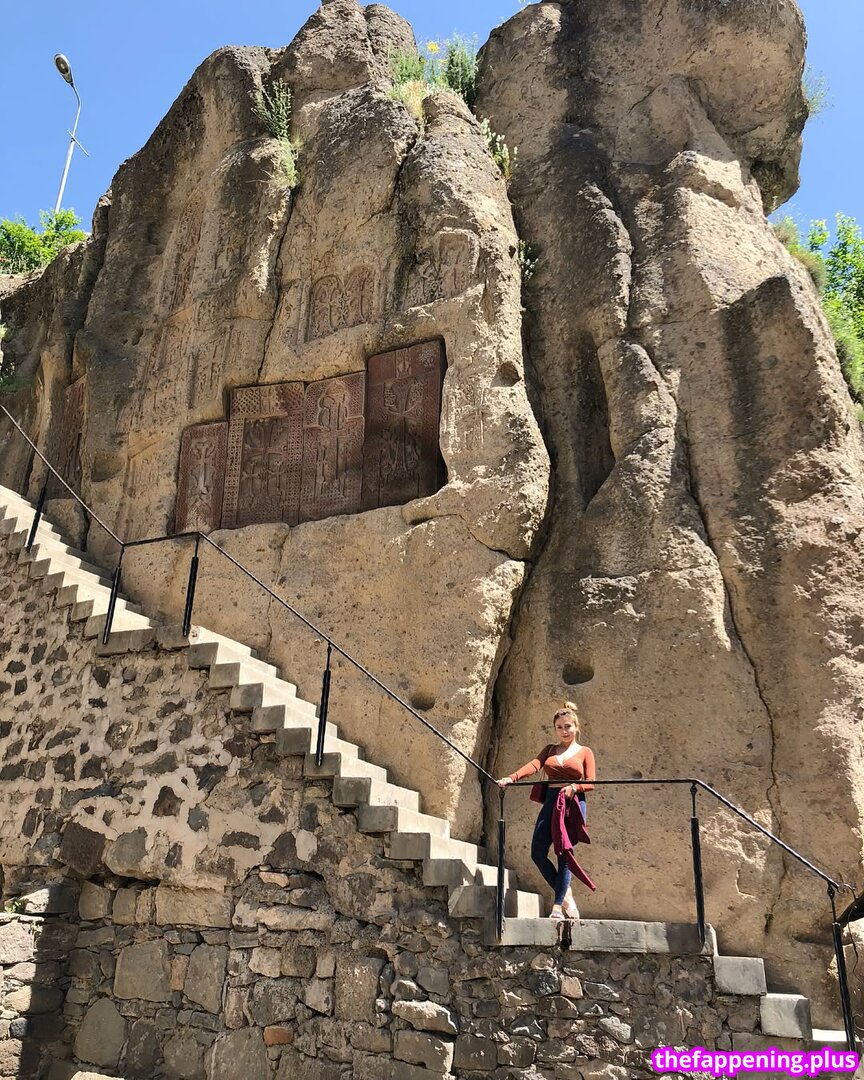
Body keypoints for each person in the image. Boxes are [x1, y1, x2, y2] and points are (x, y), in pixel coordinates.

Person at [497, 703, 596, 920]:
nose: (564, 731)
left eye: (568, 726)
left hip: (572, 803)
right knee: (537, 853)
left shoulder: (585, 752)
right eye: (559, 727)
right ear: (555, 729)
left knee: (564, 854)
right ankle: (566, 894)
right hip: (551, 800)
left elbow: (591, 782)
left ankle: (558, 907)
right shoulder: (550, 750)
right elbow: (534, 765)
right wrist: (511, 778)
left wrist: (575, 787)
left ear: (576, 726)